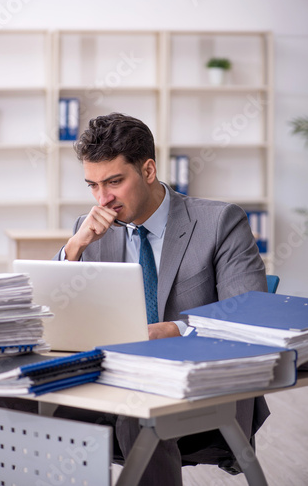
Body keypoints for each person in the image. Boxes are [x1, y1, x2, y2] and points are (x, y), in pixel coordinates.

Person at [53, 112, 269, 486]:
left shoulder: (220, 223)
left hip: (197, 389)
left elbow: (250, 319)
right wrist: (73, 250)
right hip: (105, 384)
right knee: (0, 403)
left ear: (148, 170)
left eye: (114, 182)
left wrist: (176, 331)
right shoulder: (88, 231)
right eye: (92, 185)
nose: (103, 199)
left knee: (138, 416)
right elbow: (59, 321)